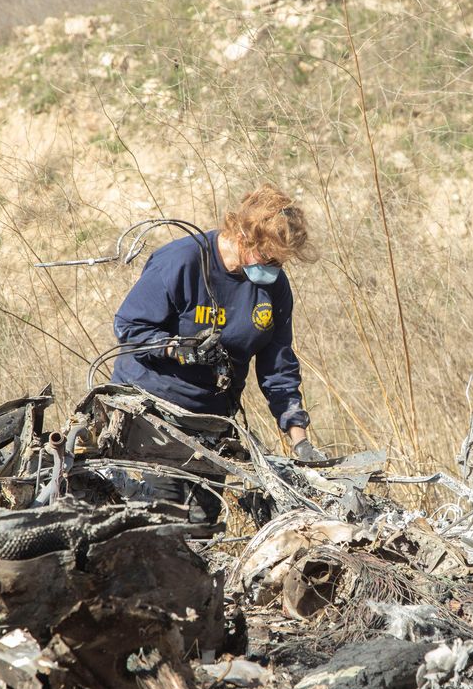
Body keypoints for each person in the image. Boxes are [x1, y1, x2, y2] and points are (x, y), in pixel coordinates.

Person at [110, 185, 325, 515]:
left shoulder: (274, 288)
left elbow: (278, 366)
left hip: (210, 421)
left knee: (204, 521)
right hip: (150, 413)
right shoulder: (181, 261)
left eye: (280, 263)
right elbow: (130, 328)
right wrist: (180, 350)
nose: (272, 269)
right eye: (266, 258)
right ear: (243, 235)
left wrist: (300, 440)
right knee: (163, 518)